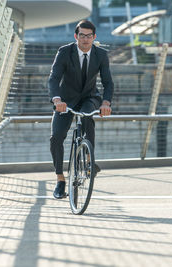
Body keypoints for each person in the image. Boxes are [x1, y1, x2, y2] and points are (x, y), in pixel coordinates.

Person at [48, 20, 114, 199]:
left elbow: (107, 82)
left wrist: (106, 103)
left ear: (94, 37)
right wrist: (57, 99)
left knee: (87, 117)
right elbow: (54, 78)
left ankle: (89, 160)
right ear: (76, 36)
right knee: (56, 137)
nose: (85, 39)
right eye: (82, 35)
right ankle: (60, 179)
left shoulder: (100, 54)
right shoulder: (64, 52)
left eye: (89, 36)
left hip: (89, 97)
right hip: (65, 100)